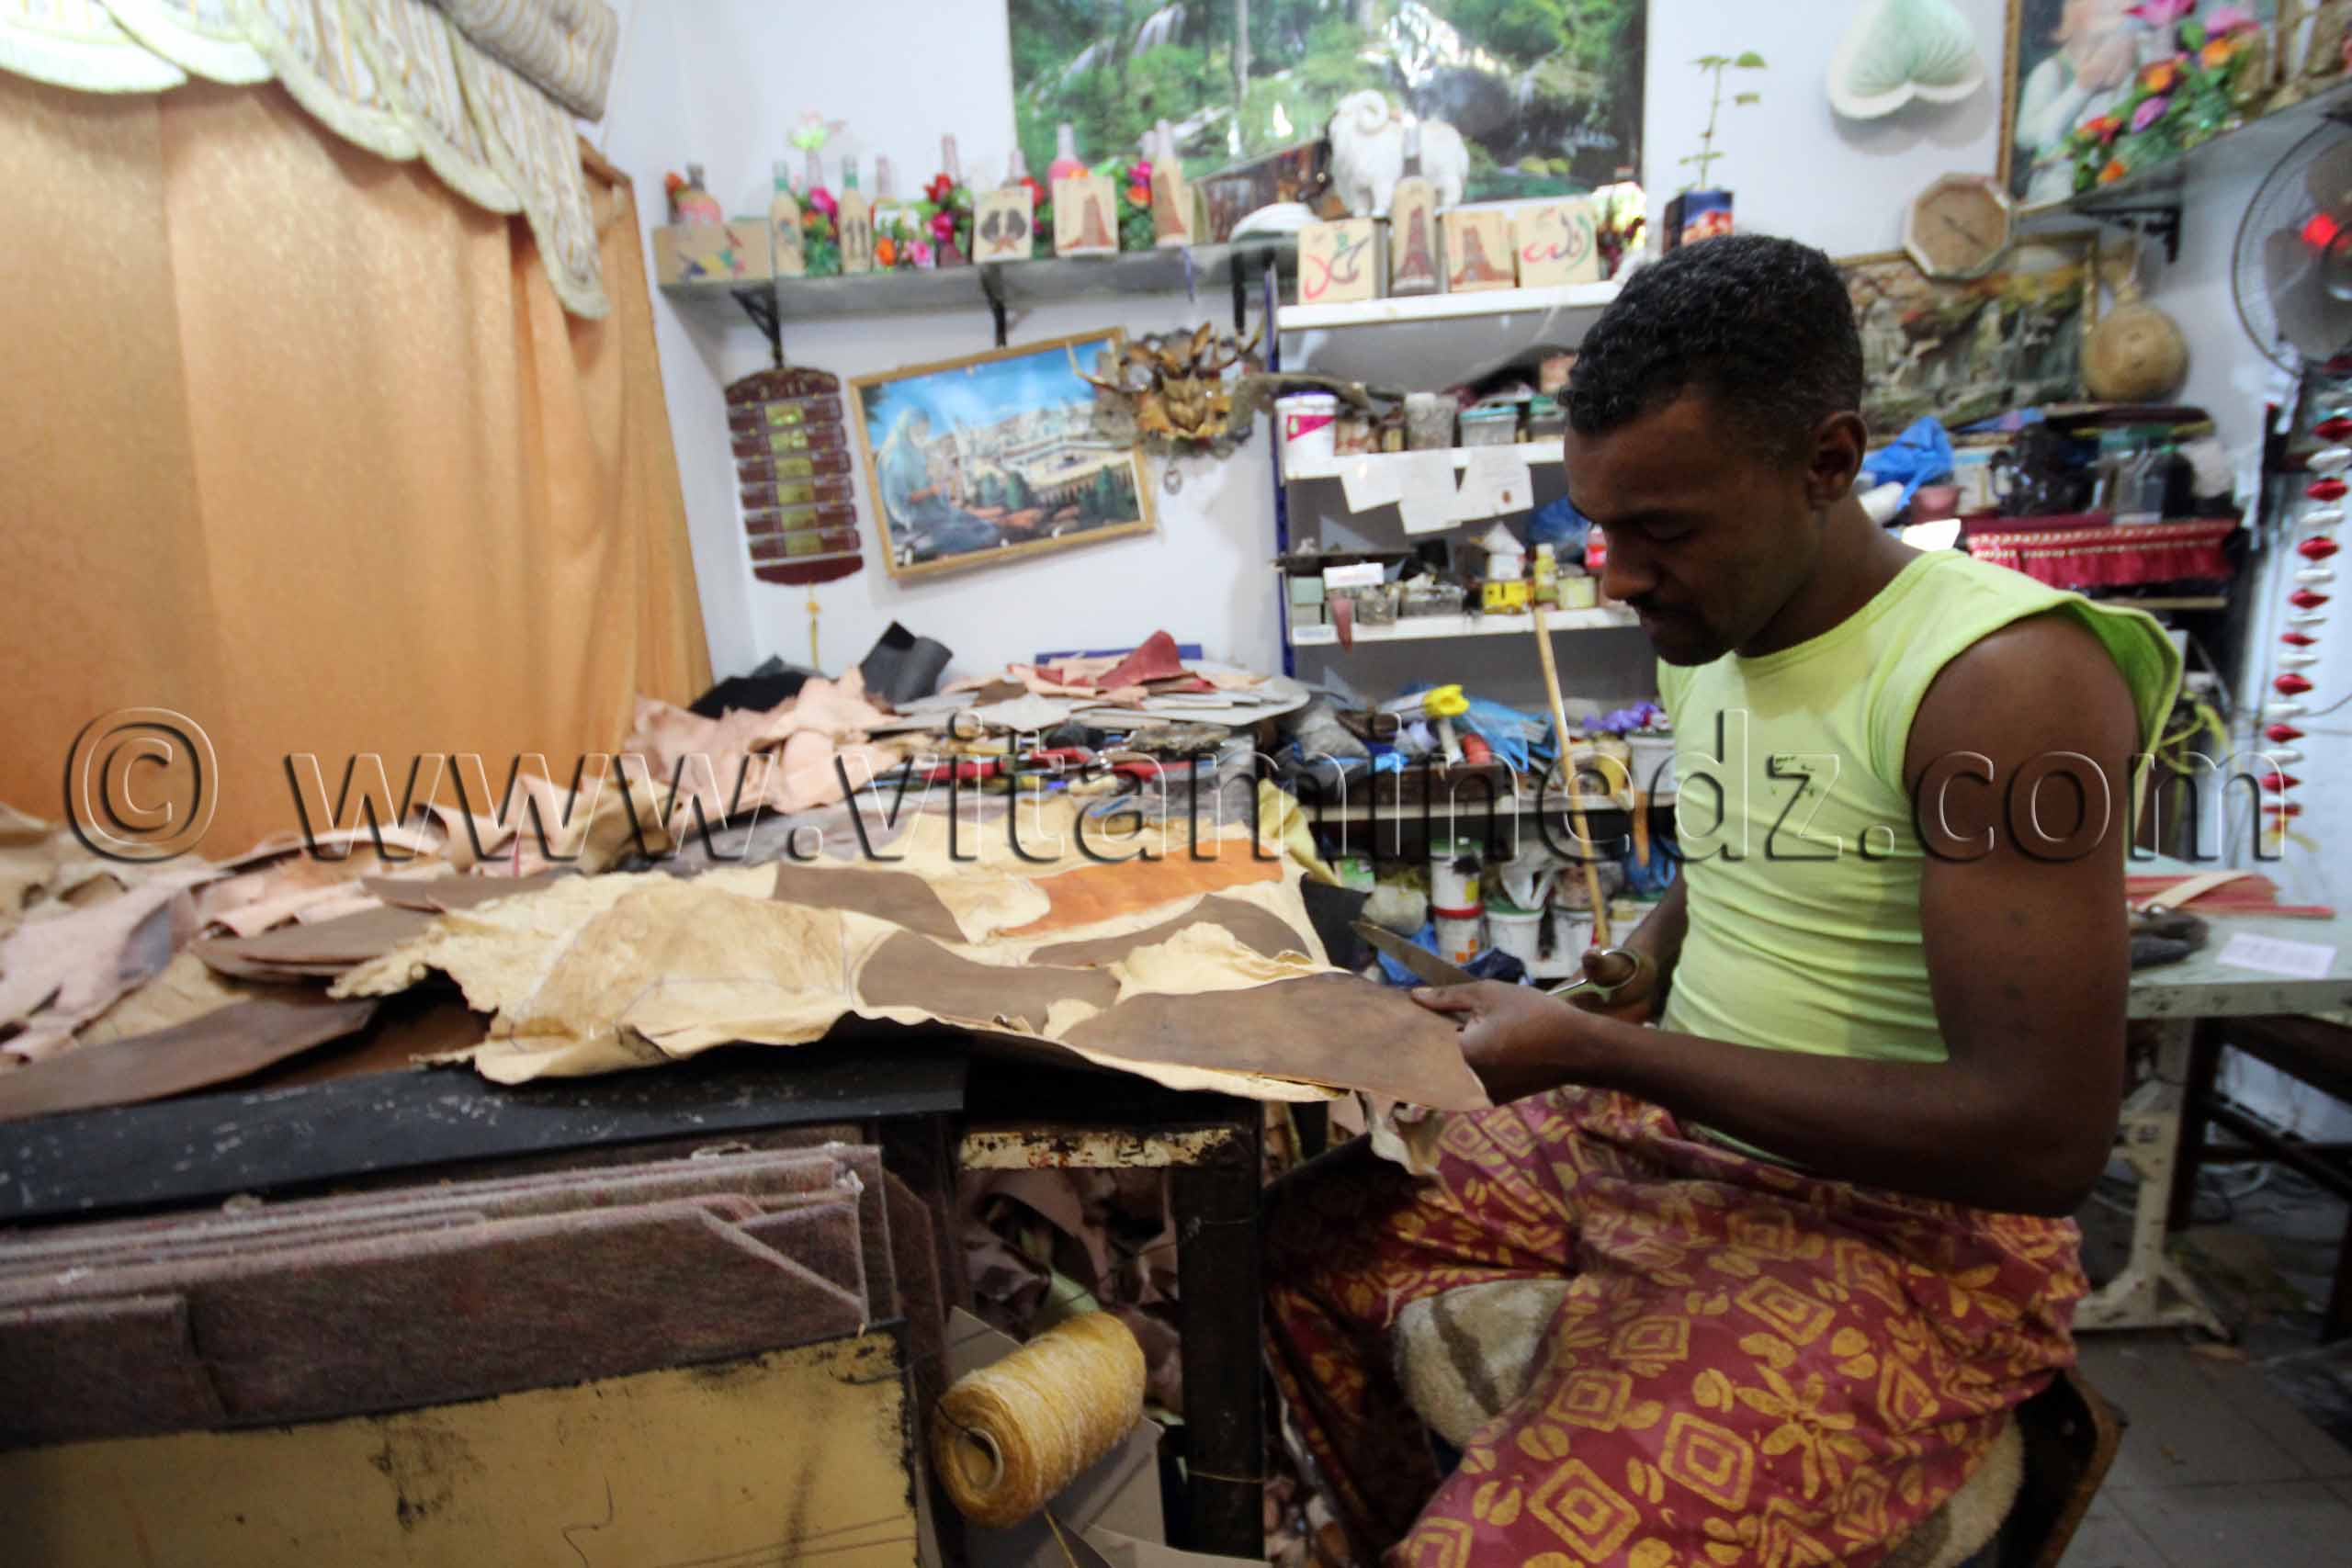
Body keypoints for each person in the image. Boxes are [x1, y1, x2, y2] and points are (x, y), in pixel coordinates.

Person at [1263, 234, 2180, 1566]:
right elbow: (1748, 854)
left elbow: (2039, 1140)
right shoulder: (1725, 619)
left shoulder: (2002, 682)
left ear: (1827, 461)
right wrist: (1622, 976)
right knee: (1283, 1245)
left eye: (1664, 530)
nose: (1618, 574)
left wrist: (1600, 1046)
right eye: (1600, 526)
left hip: (1911, 1234)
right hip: (1664, 1137)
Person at [2013, 0, 2154, 205]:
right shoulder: (2052, 71)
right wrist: (2081, 88)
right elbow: (2027, 136)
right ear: (2061, 26)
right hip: (2057, 190)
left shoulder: (2134, 62)